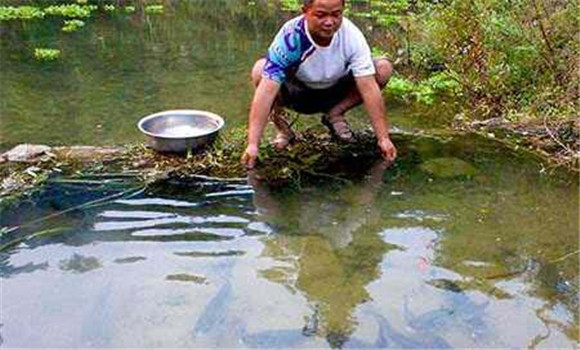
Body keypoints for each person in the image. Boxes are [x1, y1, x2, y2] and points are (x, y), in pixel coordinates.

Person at [241, 0, 397, 169]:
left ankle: (335, 114)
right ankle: (282, 127)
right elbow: (266, 91)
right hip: (298, 94)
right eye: (321, 15)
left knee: (383, 68)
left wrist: (383, 138)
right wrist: (253, 144)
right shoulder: (291, 37)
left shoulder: (351, 35)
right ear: (305, 11)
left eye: (336, 15)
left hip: (335, 92)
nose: (330, 22)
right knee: (260, 70)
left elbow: (368, 87)